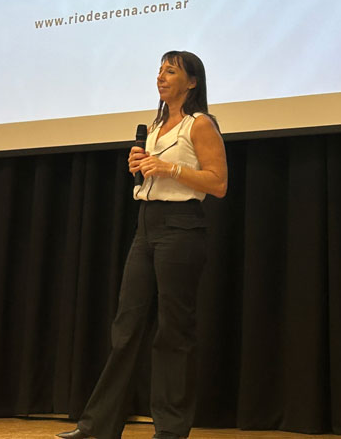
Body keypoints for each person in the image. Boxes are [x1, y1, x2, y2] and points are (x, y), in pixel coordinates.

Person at [58, 51, 227, 439]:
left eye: (171, 71)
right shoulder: (155, 126)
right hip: (146, 226)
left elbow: (218, 183)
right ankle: (98, 426)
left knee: (173, 331)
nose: (161, 77)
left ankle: (170, 430)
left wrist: (169, 168)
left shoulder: (199, 124)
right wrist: (142, 164)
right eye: (160, 70)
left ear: (192, 82)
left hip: (181, 227)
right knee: (126, 328)